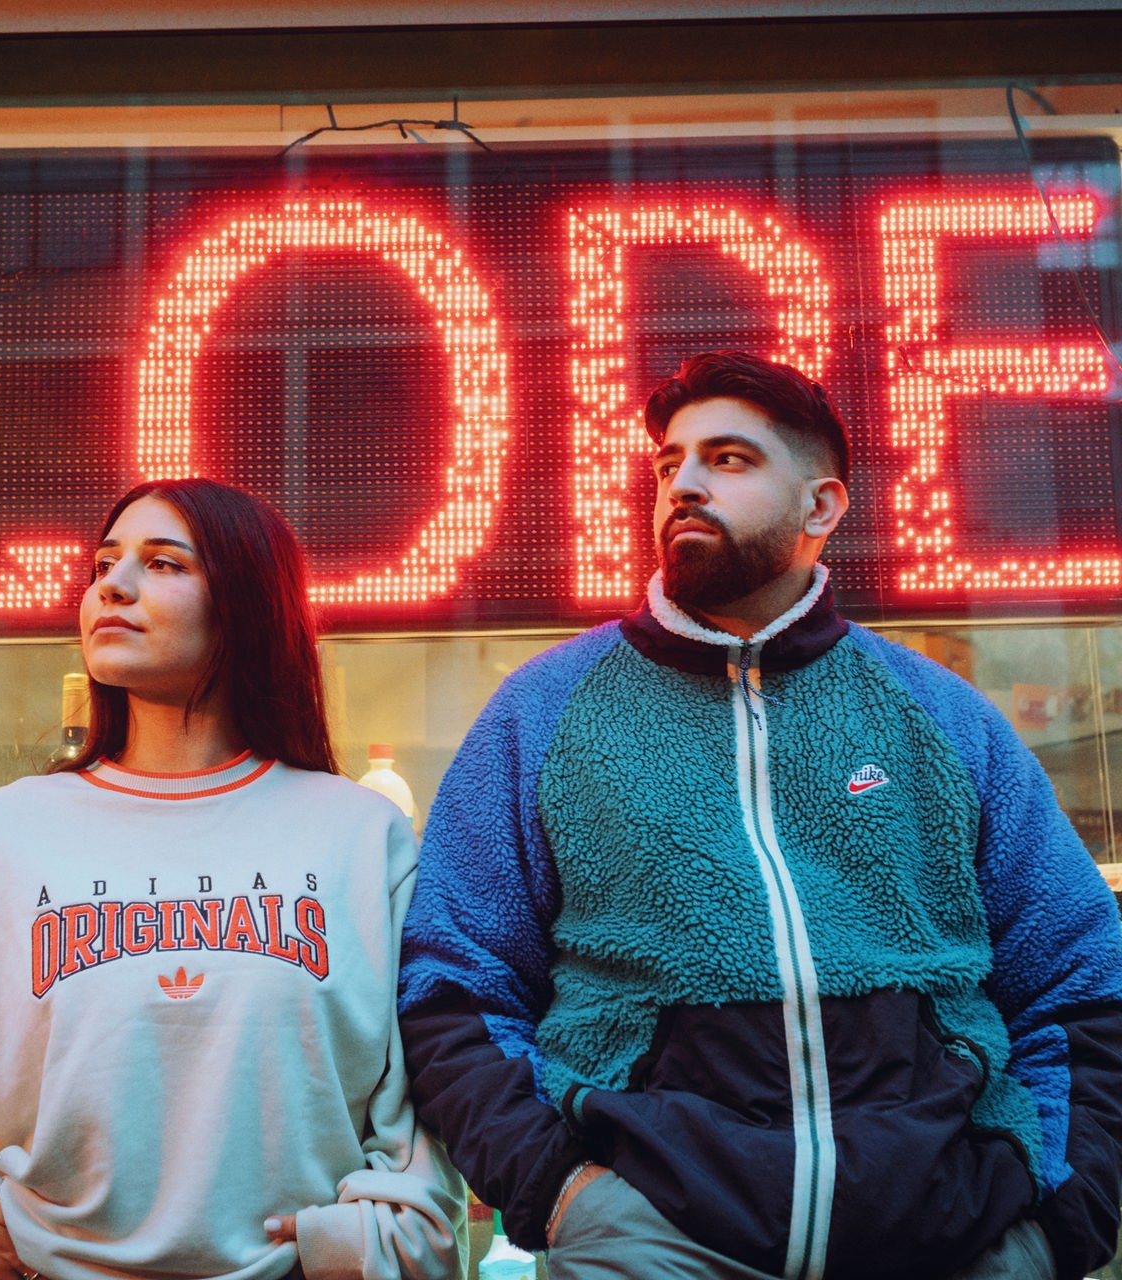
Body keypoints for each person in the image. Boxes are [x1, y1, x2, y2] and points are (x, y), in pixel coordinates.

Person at [397, 350, 1122, 1280]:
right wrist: (561, 1193)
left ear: (821, 508)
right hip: (651, 1240)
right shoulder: (542, 713)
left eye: (729, 459)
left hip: (956, 1232)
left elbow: (1079, 979)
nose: (684, 483)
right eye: (670, 464)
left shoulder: (938, 714)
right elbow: (455, 983)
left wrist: (1057, 1218)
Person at [0, 478, 466, 1280]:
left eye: (164, 562)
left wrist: (356, 1249)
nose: (114, 583)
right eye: (105, 563)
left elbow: (434, 1106)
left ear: (246, 601)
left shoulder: (361, 836)